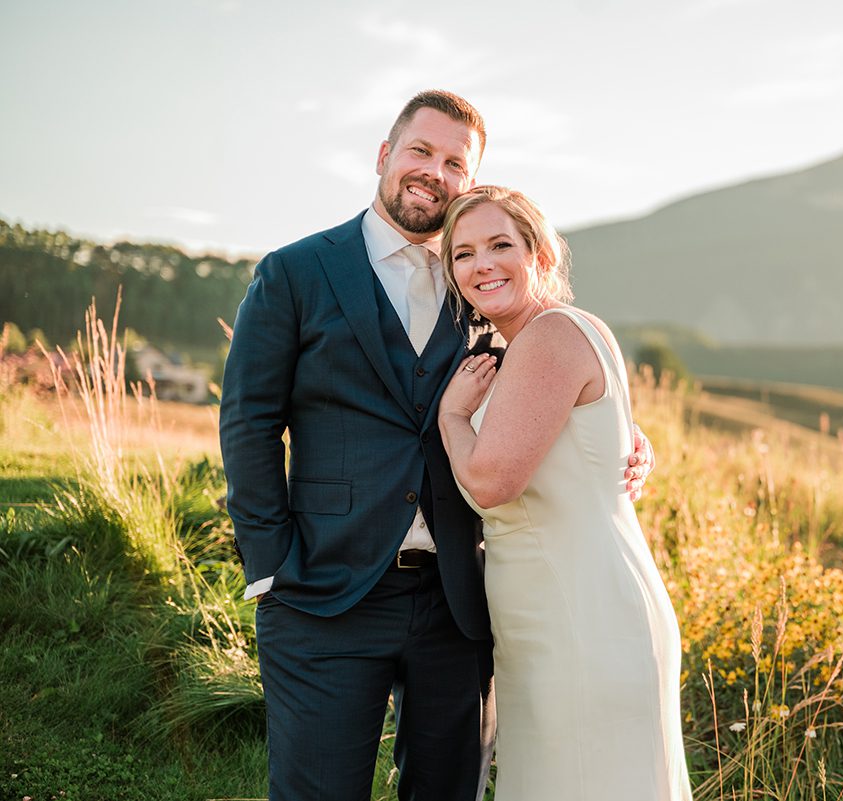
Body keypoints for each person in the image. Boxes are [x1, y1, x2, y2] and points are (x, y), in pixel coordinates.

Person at [219, 91, 653, 801]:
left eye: (456, 162)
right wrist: (271, 567)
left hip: (461, 595)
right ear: (385, 155)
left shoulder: (481, 282)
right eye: (422, 150)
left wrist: (621, 436)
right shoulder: (295, 271)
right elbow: (248, 421)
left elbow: (549, 376)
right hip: (324, 591)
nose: (434, 171)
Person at [437, 185, 692, 801]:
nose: (482, 265)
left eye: (501, 245)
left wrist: (451, 418)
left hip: (580, 617)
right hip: (568, 607)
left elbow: (495, 483)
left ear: (542, 254)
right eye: (463, 253)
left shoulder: (548, 336)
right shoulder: (545, 338)